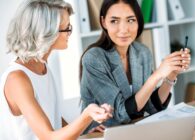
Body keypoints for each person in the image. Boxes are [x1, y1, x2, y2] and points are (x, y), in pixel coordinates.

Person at [0, 0, 113, 139]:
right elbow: (49, 137)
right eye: (66, 28)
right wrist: (86, 116)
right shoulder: (17, 79)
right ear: (45, 33)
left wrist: (83, 131)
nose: (69, 33)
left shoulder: (43, 66)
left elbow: (54, 121)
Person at [80, 0, 191, 133]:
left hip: (134, 131)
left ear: (138, 21)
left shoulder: (142, 52)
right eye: (114, 21)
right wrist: (156, 76)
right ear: (104, 22)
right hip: (100, 135)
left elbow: (150, 107)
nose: (124, 29)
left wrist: (171, 75)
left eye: (131, 20)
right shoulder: (94, 58)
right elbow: (121, 114)